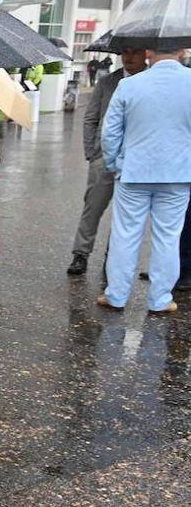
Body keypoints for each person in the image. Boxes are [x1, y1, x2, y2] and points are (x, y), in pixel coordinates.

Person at [99, 48, 191, 314]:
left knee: (125, 235)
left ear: (149, 52)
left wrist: (115, 163)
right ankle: (160, 299)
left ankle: (116, 295)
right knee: (168, 238)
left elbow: (110, 131)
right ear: (183, 52)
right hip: (178, 174)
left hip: (133, 171)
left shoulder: (129, 85)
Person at [68, 49, 148, 275]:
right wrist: (91, 152)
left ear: (146, 54)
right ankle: (80, 254)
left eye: (135, 53)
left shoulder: (150, 82)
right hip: (102, 157)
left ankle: (113, 258)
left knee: (127, 214)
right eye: (125, 53)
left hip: (136, 159)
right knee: (92, 207)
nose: (129, 58)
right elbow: (91, 118)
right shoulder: (107, 82)